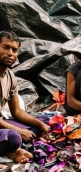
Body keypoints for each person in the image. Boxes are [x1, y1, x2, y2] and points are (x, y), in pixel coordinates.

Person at [0, 30, 50, 163]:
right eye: (6, 47)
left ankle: (10, 149)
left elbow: (16, 111)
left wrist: (40, 125)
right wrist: (19, 130)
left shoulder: (10, 76)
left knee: (44, 121)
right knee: (13, 137)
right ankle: (12, 151)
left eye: (14, 50)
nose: (10, 53)